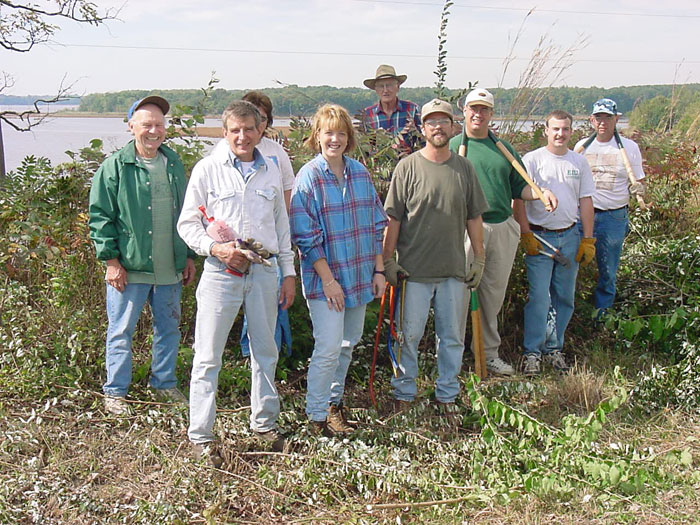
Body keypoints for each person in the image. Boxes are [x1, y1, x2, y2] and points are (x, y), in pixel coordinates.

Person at [177, 100, 296, 464]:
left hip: (264, 273)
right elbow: (187, 224)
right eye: (235, 130)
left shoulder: (271, 171)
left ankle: (264, 426)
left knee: (265, 353)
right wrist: (216, 248)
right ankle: (201, 437)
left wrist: (288, 274)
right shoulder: (207, 170)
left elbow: (282, 229)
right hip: (219, 275)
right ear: (224, 133)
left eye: (249, 129)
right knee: (208, 357)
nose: (242, 136)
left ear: (261, 130)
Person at [88, 95, 196, 415]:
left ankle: (163, 384)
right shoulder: (115, 167)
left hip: (169, 266)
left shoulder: (173, 163)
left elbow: (188, 212)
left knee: (169, 328)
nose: (153, 131)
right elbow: (100, 216)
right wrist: (110, 261)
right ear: (131, 125)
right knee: (121, 331)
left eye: (159, 125)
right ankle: (116, 392)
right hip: (129, 267)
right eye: (146, 124)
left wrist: (187, 255)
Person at [382, 98, 488, 408]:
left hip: (453, 272)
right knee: (407, 337)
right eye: (431, 122)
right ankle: (404, 394)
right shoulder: (408, 167)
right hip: (413, 273)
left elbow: (474, 217)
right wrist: (388, 260)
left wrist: (478, 258)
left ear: (453, 127)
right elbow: (394, 219)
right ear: (422, 128)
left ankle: (447, 396)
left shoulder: (464, 168)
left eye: (444, 121)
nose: (438, 127)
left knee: (452, 339)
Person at [290, 104, 388, 436]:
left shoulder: (359, 173)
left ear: (350, 138)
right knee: (329, 345)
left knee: (349, 343)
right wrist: (329, 281)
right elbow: (305, 236)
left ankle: (334, 405)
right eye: (329, 132)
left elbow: (377, 225)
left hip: (359, 275)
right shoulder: (308, 177)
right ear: (316, 136)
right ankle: (316, 417)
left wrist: (379, 271)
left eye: (342, 133)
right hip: (325, 282)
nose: (335, 139)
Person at [448, 88, 558, 376]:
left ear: (491, 114)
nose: (478, 114)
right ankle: (453, 358)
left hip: (502, 227)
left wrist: (540, 193)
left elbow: (519, 188)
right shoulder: (453, 147)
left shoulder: (503, 149)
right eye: (474, 108)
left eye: (484, 109)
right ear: (464, 111)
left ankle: (488, 355)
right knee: (459, 296)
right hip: (464, 230)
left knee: (492, 297)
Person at [212, 91, 295, 357]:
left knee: (272, 312)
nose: (247, 133)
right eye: (240, 126)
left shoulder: (274, 155)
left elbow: (284, 204)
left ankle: (278, 357)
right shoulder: (216, 158)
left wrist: (286, 258)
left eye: (258, 122)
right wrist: (216, 246)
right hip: (228, 257)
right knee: (212, 341)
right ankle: (242, 358)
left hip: (266, 255)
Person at [514, 110, 596, 376]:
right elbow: (519, 200)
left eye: (566, 129)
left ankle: (554, 349)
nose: (560, 134)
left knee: (564, 296)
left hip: (569, 236)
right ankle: (532, 353)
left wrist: (587, 238)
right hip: (540, 237)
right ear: (546, 130)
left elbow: (585, 201)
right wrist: (525, 233)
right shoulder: (533, 160)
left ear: (572, 131)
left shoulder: (578, 163)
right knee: (539, 297)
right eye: (555, 129)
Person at [574, 98, 646, 316]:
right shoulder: (581, 147)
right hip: (581, 217)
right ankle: (573, 313)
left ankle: (601, 316)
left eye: (607, 117)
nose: (602, 122)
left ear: (617, 119)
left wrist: (639, 189)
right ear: (591, 120)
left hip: (614, 217)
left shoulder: (630, 148)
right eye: (598, 117)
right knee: (571, 265)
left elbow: (640, 181)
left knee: (607, 271)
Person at [362, 64, 422, 154]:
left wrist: (411, 150)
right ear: (376, 89)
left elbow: (423, 141)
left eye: (389, 85)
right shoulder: (367, 114)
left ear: (398, 87)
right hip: (380, 166)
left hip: (408, 164)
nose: (385, 90)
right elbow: (365, 148)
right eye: (381, 86)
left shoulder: (412, 109)